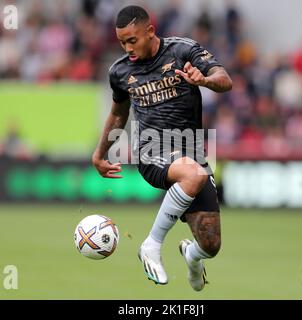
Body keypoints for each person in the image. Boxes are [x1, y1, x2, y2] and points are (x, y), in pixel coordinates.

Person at [92, 5, 232, 291]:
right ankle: (151, 245)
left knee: (211, 244)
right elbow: (119, 114)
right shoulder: (119, 71)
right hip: (151, 151)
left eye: (133, 40)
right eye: (122, 42)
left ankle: (191, 256)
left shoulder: (183, 51)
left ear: (150, 31)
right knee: (194, 175)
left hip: (190, 152)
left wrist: (204, 80)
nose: (128, 48)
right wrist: (99, 153)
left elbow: (225, 80)